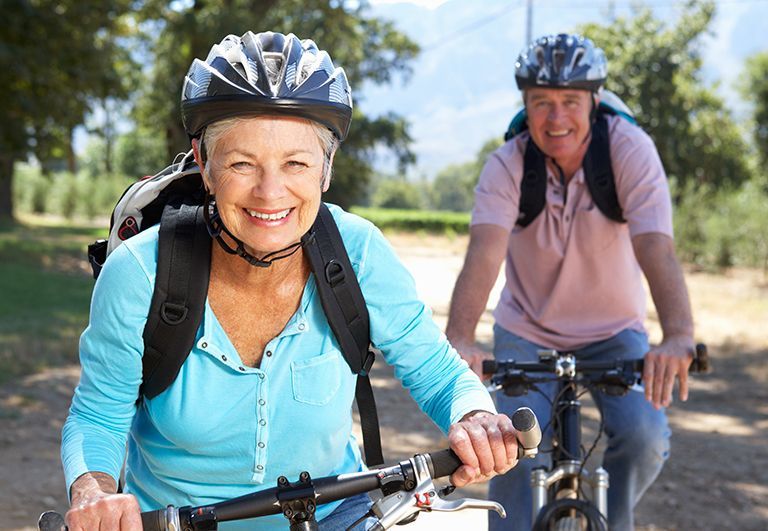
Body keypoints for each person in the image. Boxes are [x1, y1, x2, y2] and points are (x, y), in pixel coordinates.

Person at [61, 31, 520, 531]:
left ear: (326, 168)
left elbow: (435, 369)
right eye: (242, 163)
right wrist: (93, 490)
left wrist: (474, 417)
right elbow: (99, 413)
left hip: (334, 513)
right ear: (204, 163)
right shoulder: (141, 271)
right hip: (178, 522)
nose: (270, 192)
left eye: (296, 163)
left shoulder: (358, 252)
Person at [445, 33, 695, 531]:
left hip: (615, 332)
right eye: (541, 102)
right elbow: (484, 252)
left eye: (570, 102)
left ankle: (611, 521)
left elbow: (656, 247)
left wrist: (679, 335)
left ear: (594, 102)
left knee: (644, 437)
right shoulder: (509, 163)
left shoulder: (629, 150)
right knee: (510, 447)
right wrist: (460, 338)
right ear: (525, 105)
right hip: (527, 332)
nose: (555, 117)